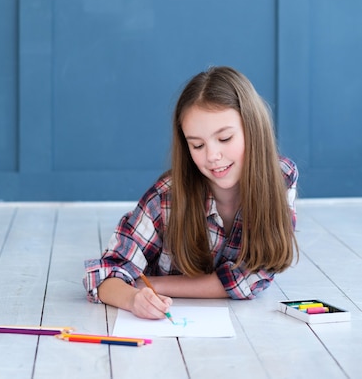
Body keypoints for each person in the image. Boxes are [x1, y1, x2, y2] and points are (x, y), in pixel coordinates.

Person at [83, 66, 298, 320]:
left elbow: (253, 279)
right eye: (197, 145)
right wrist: (132, 298)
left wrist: (146, 284)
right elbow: (104, 273)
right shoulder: (166, 197)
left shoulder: (281, 175)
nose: (212, 156)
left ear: (253, 129)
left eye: (225, 138)